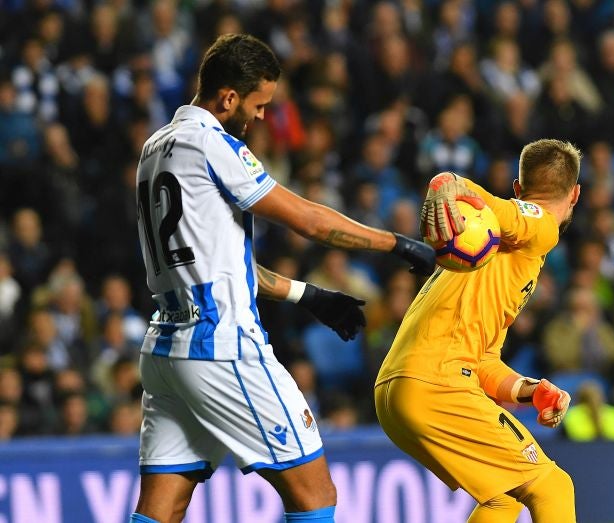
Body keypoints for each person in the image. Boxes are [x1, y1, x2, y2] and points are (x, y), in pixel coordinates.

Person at [130, 34, 435, 523]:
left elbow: (219, 263)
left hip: (166, 348)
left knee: (162, 506)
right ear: (228, 98)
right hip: (221, 344)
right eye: (259, 104)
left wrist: (306, 293)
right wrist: (396, 244)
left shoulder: (154, 147)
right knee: (314, 494)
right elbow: (309, 220)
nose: (262, 117)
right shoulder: (213, 144)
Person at [375, 139, 581, 522]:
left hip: (398, 389)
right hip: (437, 382)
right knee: (552, 486)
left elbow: (483, 358)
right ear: (576, 194)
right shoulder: (539, 229)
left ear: (519, 186)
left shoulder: (487, 250)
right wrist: (450, 182)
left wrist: (527, 390)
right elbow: (500, 208)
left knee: (502, 499)